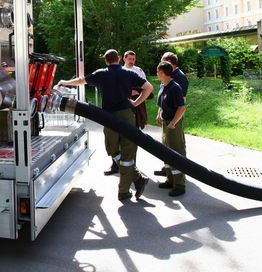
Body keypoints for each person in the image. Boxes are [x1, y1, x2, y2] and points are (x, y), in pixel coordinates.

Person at [58, 49, 154, 201]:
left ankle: (124, 191)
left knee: (112, 149)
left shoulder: (101, 73)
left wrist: (65, 82)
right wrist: (136, 103)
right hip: (127, 115)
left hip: (109, 117)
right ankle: (137, 178)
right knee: (127, 153)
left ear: (106, 61)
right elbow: (149, 88)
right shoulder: (128, 73)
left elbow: (81, 80)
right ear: (119, 59)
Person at [154, 51, 189, 177]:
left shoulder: (179, 78)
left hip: (174, 119)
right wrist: (160, 113)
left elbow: (181, 103)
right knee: (167, 146)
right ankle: (168, 171)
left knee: (176, 147)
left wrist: (174, 121)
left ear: (169, 63)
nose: (160, 64)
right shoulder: (165, 79)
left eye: (162, 61)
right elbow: (163, 99)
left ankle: (179, 177)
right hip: (166, 118)